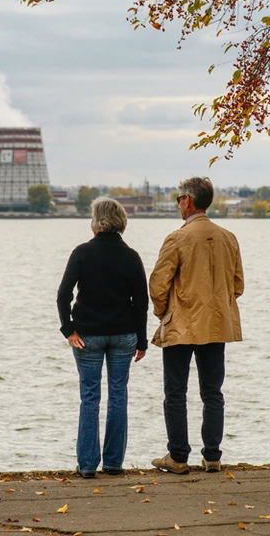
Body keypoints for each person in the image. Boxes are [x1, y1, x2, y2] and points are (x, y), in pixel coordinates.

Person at [149, 177, 243, 474]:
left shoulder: (177, 239)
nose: (178, 203)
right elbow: (237, 285)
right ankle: (212, 456)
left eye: (179, 198)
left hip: (181, 324)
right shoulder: (228, 237)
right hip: (217, 324)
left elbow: (157, 285)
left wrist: (163, 311)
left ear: (188, 201)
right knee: (213, 392)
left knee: (175, 392)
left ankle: (178, 456)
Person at [57, 197, 148, 479]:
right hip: (123, 336)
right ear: (121, 221)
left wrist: (68, 329)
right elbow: (141, 302)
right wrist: (142, 341)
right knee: (118, 396)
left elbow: (63, 295)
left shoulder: (82, 253)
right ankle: (113, 463)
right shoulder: (131, 255)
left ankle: (86, 465)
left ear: (96, 222)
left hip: (87, 336)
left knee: (90, 397)